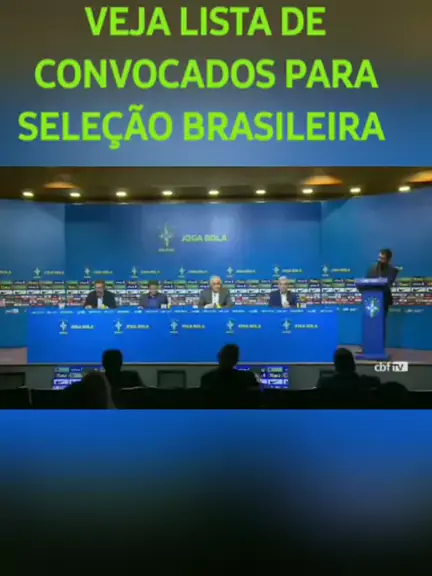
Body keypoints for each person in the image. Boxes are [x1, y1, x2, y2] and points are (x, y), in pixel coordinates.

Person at [366, 248, 398, 315]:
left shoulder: (393, 270)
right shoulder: (372, 268)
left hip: (384, 299)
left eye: (383, 258)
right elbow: (366, 281)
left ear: (388, 259)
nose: (380, 260)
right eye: (379, 258)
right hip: (370, 299)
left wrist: (380, 281)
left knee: (382, 318)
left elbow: (388, 283)